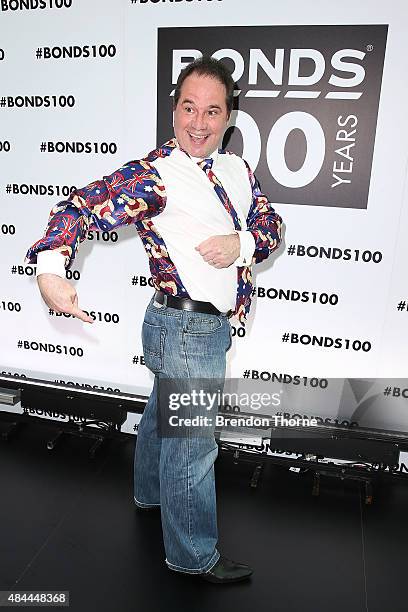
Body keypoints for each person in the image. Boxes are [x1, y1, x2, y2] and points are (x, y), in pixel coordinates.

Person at [25, 56, 283, 584]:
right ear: (174, 112)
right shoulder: (155, 176)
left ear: (229, 118)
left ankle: (148, 494)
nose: (199, 122)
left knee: (161, 410)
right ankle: (193, 556)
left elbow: (271, 226)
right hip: (185, 330)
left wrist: (243, 243)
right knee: (193, 448)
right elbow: (79, 207)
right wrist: (51, 270)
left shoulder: (237, 170)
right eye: (189, 108)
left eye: (213, 111)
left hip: (190, 327)